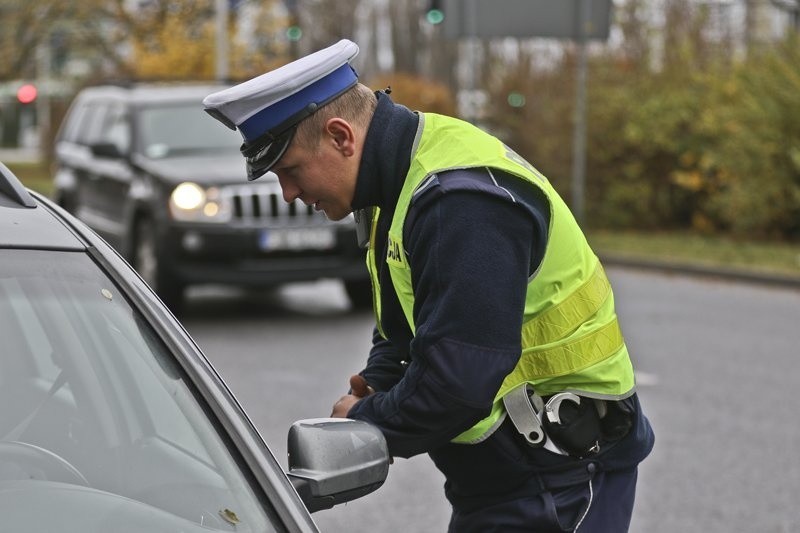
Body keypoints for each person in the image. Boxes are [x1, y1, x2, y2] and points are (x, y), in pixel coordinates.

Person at [204, 39, 654, 532]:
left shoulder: (459, 203)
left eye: (289, 171)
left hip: (559, 479)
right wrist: (378, 380)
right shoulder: (395, 179)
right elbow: (402, 323)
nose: (288, 193)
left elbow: (458, 382)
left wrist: (369, 421)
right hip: (511, 481)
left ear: (341, 137)